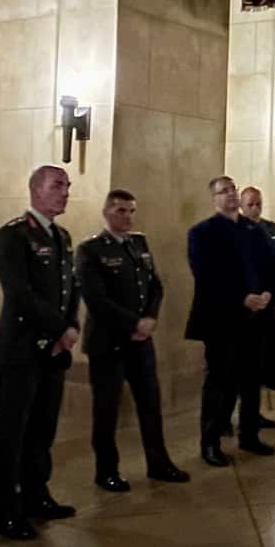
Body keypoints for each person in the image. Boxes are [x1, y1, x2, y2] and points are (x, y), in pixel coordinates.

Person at [77, 189, 190, 491]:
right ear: (106, 212)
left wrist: (150, 318)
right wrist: (133, 322)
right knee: (107, 410)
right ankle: (107, 471)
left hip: (141, 341)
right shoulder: (91, 250)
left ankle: (158, 462)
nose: (126, 217)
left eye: (130, 211)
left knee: (150, 403)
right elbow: (96, 299)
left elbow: (154, 285)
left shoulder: (138, 244)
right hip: (109, 342)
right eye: (120, 211)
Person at [0, 165, 79, 539]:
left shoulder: (61, 235)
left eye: (67, 186)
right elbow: (20, 294)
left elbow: (68, 289)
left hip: (52, 351)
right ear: (34, 189)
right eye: (57, 185)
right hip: (21, 351)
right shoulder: (13, 235)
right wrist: (62, 328)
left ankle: (35, 494)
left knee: (42, 429)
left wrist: (70, 327)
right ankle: (6, 510)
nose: (65, 192)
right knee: (13, 433)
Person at [186, 175, 275, 466]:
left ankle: (249, 435)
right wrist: (241, 297)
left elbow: (270, 266)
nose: (230, 195)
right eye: (223, 192)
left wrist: (267, 293)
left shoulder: (254, 230)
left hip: (255, 318)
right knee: (220, 382)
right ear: (214, 199)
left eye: (232, 189)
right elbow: (206, 275)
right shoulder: (202, 232)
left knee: (252, 380)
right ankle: (210, 441)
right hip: (222, 320)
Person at [239, 185, 275, 432]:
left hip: (268, 306)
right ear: (241, 206)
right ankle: (227, 418)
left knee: (260, 364)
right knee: (238, 368)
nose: (255, 209)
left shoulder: (273, 230)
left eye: (258, 203)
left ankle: (254, 413)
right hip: (244, 308)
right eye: (250, 205)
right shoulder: (237, 232)